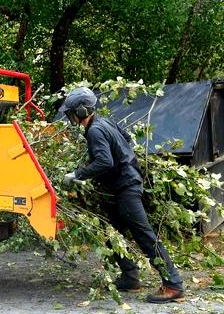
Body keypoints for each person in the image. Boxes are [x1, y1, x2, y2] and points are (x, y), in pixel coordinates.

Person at [61, 87, 184, 304]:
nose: (70, 116)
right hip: (123, 183)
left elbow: (104, 161)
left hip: (126, 186)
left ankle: (173, 284)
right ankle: (130, 276)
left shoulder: (95, 131)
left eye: (71, 112)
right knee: (111, 232)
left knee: (144, 235)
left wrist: (77, 174)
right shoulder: (104, 121)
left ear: (81, 111)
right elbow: (126, 137)